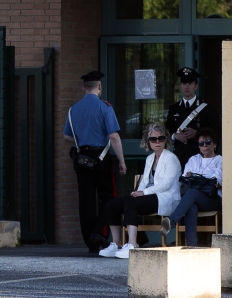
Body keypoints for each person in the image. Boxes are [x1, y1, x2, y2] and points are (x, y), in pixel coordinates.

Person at [63, 71, 127, 253]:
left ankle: (90, 242)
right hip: (101, 157)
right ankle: (99, 232)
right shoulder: (105, 108)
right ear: (99, 86)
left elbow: (67, 136)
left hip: (82, 158)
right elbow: (113, 136)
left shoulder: (73, 109)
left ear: (84, 88)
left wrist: (83, 139)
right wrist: (121, 160)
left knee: (86, 201)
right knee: (108, 197)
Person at [99, 123, 181, 259]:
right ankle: (116, 243)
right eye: (153, 139)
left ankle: (132, 244)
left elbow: (166, 184)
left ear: (166, 140)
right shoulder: (150, 158)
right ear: (147, 142)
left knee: (131, 205)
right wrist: (138, 192)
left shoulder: (171, 158)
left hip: (165, 197)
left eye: (161, 138)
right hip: (151, 195)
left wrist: (144, 193)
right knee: (112, 205)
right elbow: (144, 180)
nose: (157, 142)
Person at [160, 127, 222, 246]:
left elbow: (215, 181)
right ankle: (192, 245)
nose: (204, 145)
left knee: (192, 193)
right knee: (191, 204)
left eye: (208, 142)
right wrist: (201, 178)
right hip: (194, 198)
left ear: (214, 144)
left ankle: (172, 221)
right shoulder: (194, 159)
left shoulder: (220, 160)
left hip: (214, 199)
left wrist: (195, 177)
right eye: (201, 143)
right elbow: (185, 179)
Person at [165, 67, 221, 168]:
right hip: (179, 157)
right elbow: (167, 130)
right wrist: (175, 136)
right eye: (184, 83)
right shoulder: (174, 109)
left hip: (201, 158)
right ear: (180, 86)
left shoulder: (207, 108)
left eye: (190, 83)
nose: (187, 86)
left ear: (196, 86)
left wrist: (197, 133)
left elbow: (216, 131)